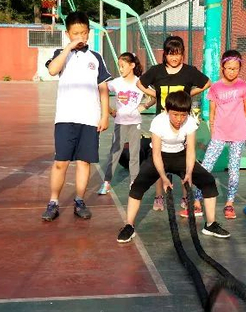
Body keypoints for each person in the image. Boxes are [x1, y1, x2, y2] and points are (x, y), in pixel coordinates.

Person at [116, 91, 230, 243]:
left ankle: (210, 224)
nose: (179, 119)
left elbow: (190, 151)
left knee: (208, 181)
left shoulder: (190, 122)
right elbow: (156, 154)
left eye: (183, 115)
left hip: (180, 156)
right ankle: (129, 226)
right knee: (137, 186)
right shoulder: (158, 122)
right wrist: (164, 178)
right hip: (159, 156)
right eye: (175, 114)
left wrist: (188, 173)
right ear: (167, 110)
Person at [41, 11, 111, 221]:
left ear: (89, 32)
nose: (80, 37)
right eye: (75, 33)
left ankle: (79, 201)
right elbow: (52, 70)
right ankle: (53, 202)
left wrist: (104, 115)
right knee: (60, 162)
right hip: (65, 118)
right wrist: (68, 48)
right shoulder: (61, 54)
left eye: (83, 33)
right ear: (67, 34)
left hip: (89, 118)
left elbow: (103, 88)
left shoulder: (96, 57)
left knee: (84, 163)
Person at [137, 35, 211, 212]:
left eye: (178, 53)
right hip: (163, 124)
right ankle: (159, 196)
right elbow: (140, 83)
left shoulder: (189, 71)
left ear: (183, 54)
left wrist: (188, 95)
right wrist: (155, 95)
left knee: (185, 160)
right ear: (165, 54)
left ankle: (186, 196)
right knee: (159, 160)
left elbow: (207, 83)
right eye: (171, 54)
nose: (174, 57)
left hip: (182, 124)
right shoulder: (157, 71)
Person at [188, 50, 246, 220]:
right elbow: (212, 112)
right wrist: (214, 129)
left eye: (235, 68)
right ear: (222, 67)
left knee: (234, 170)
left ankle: (230, 203)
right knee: (206, 167)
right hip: (219, 133)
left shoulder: (244, 86)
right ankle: (197, 200)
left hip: (238, 133)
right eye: (229, 68)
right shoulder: (216, 87)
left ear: (240, 68)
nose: (232, 71)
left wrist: (235, 121)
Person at [97, 52, 155, 195]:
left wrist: (144, 106)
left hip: (135, 122)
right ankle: (107, 183)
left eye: (123, 66)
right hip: (120, 122)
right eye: (119, 66)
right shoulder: (116, 82)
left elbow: (155, 95)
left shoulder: (140, 83)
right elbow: (100, 91)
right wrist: (110, 110)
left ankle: (133, 182)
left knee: (134, 153)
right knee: (115, 152)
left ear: (132, 65)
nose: (120, 69)